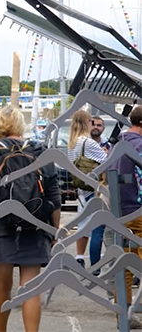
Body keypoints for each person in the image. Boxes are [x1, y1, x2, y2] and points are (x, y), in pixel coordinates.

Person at [0, 106, 61, 332]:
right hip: (35, 224)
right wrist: (54, 230)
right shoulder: (40, 150)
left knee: (1, 286)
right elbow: (54, 194)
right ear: (21, 125)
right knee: (31, 287)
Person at [108, 106, 142, 319]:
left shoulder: (117, 144)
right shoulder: (139, 145)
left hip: (120, 210)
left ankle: (123, 311)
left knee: (126, 263)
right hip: (138, 210)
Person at [66, 109, 107, 267]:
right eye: (91, 121)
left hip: (81, 189)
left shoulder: (72, 144)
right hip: (94, 189)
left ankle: (80, 257)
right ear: (86, 123)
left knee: (83, 225)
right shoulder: (88, 142)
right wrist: (105, 152)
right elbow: (107, 161)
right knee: (98, 227)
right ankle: (96, 265)